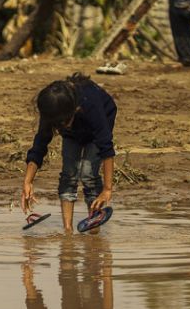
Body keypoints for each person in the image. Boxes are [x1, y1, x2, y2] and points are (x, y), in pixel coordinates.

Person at [20, 73, 117, 234]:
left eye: (63, 124)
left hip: (98, 128)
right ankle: (67, 230)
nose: (59, 128)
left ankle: (94, 228)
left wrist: (107, 190)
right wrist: (28, 181)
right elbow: (39, 145)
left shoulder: (91, 105)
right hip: (73, 133)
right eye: (56, 126)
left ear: (75, 110)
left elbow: (107, 149)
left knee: (88, 174)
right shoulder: (53, 111)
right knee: (69, 173)